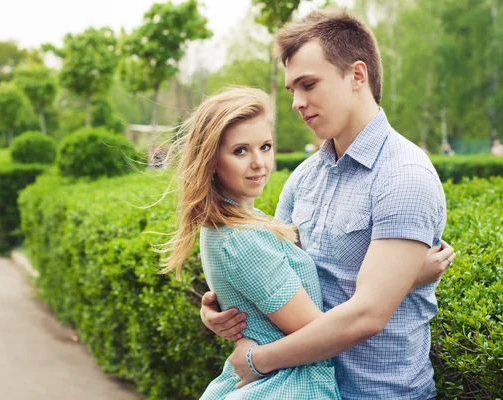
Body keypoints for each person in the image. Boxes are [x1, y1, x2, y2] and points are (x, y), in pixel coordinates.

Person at [200, 9, 456, 400]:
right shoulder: (304, 177)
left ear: (357, 75)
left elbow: (367, 316)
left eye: (309, 85)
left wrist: (256, 360)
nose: (296, 103)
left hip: (377, 393)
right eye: (292, 91)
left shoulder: (404, 176)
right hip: (301, 388)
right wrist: (222, 305)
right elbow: (279, 272)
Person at [160, 87, 342, 399]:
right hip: (290, 387)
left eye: (266, 146)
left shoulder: (242, 220)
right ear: (212, 159)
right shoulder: (242, 239)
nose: (259, 162)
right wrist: (403, 278)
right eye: (241, 151)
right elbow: (320, 335)